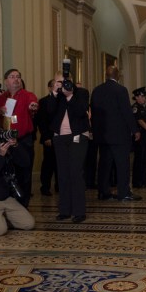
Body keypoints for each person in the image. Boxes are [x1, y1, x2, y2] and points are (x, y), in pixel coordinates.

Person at [90, 66, 141, 201]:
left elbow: (93, 114)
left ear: (106, 75)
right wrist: (135, 130)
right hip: (119, 136)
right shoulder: (121, 90)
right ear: (117, 75)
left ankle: (103, 192)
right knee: (122, 165)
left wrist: (96, 133)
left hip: (103, 136)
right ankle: (123, 193)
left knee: (104, 166)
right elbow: (126, 112)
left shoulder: (96, 90)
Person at [0, 69, 38, 206]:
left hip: (23, 141)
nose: (16, 79)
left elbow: (33, 104)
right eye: (12, 77)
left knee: (24, 174)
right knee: (6, 173)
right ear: (6, 81)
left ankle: (23, 205)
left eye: (18, 77)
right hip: (5, 140)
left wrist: (33, 106)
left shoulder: (27, 95)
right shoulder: (1, 98)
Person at [49, 77, 91, 222]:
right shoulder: (56, 96)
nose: (63, 85)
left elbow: (81, 111)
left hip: (78, 135)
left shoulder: (81, 93)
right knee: (62, 174)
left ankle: (79, 211)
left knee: (76, 172)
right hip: (60, 137)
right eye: (59, 82)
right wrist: (55, 94)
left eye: (65, 81)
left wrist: (70, 95)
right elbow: (49, 112)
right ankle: (64, 210)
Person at [35, 78, 60, 196]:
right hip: (49, 137)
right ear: (50, 88)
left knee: (60, 163)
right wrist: (46, 137)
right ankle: (45, 187)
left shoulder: (63, 99)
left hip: (62, 137)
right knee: (48, 164)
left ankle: (59, 186)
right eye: (55, 84)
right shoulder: (43, 101)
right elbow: (42, 121)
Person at [131, 87, 146, 189]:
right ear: (136, 97)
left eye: (144, 96)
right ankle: (137, 182)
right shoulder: (135, 108)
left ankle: (144, 180)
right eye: (142, 96)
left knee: (145, 159)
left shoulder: (145, 108)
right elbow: (140, 121)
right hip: (139, 137)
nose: (144, 98)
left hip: (145, 138)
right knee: (139, 159)